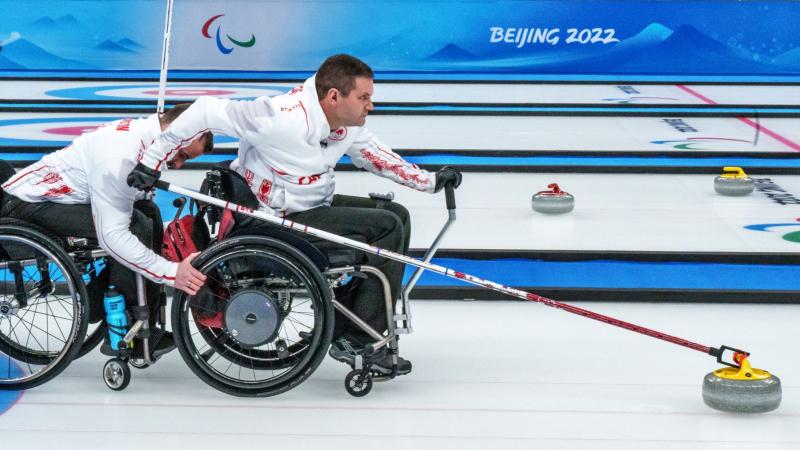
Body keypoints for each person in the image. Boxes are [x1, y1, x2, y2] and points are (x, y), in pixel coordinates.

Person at [128, 54, 462, 375]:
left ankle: (352, 321)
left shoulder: (346, 124)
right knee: (386, 228)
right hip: (270, 219)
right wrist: (151, 160)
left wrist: (430, 182)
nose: (370, 105)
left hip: (307, 206)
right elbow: (204, 111)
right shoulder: (279, 117)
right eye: (363, 97)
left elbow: (375, 156)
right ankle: (362, 339)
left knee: (396, 214)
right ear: (334, 96)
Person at [1, 104, 210, 355]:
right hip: (25, 206)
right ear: (175, 134)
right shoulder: (120, 155)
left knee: (150, 213)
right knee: (132, 227)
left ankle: (142, 318)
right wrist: (172, 272)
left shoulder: (144, 137)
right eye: (183, 155)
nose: (178, 165)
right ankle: (122, 331)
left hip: (52, 199)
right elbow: (113, 236)